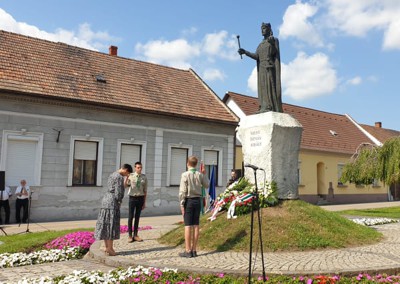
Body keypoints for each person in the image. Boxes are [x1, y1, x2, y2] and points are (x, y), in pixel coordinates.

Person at [238, 22, 283, 113]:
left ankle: (270, 106)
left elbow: (275, 53)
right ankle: (264, 106)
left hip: (269, 67)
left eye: (264, 28)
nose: (262, 30)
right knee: (262, 88)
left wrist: (272, 44)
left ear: (269, 29)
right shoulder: (260, 44)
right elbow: (256, 56)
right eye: (261, 29)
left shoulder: (274, 40)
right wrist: (245, 52)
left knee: (269, 87)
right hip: (261, 68)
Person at [94, 164, 133, 256]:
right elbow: (118, 192)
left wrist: (126, 179)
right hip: (112, 202)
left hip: (105, 200)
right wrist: (119, 201)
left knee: (105, 224)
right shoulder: (119, 177)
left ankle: (106, 247)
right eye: (127, 173)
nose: (126, 175)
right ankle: (110, 248)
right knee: (111, 224)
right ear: (126, 170)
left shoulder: (112, 174)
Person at [179, 156, 209, 258]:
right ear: (196, 164)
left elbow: (183, 191)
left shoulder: (185, 175)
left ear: (188, 163)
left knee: (188, 226)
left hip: (189, 200)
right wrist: (204, 174)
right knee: (196, 225)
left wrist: (182, 203)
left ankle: (188, 250)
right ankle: (194, 250)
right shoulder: (200, 174)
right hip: (198, 201)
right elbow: (206, 185)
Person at [125, 161, 147, 243]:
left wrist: (144, 203)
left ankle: (136, 235)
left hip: (140, 198)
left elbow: (145, 191)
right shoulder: (131, 176)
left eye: (140, 167)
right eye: (138, 167)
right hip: (132, 198)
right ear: (135, 168)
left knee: (137, 217)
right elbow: (125, 185)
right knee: (130, 217)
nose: (139, 169)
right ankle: (130, 236)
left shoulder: (144, 177)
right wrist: (127, 178)